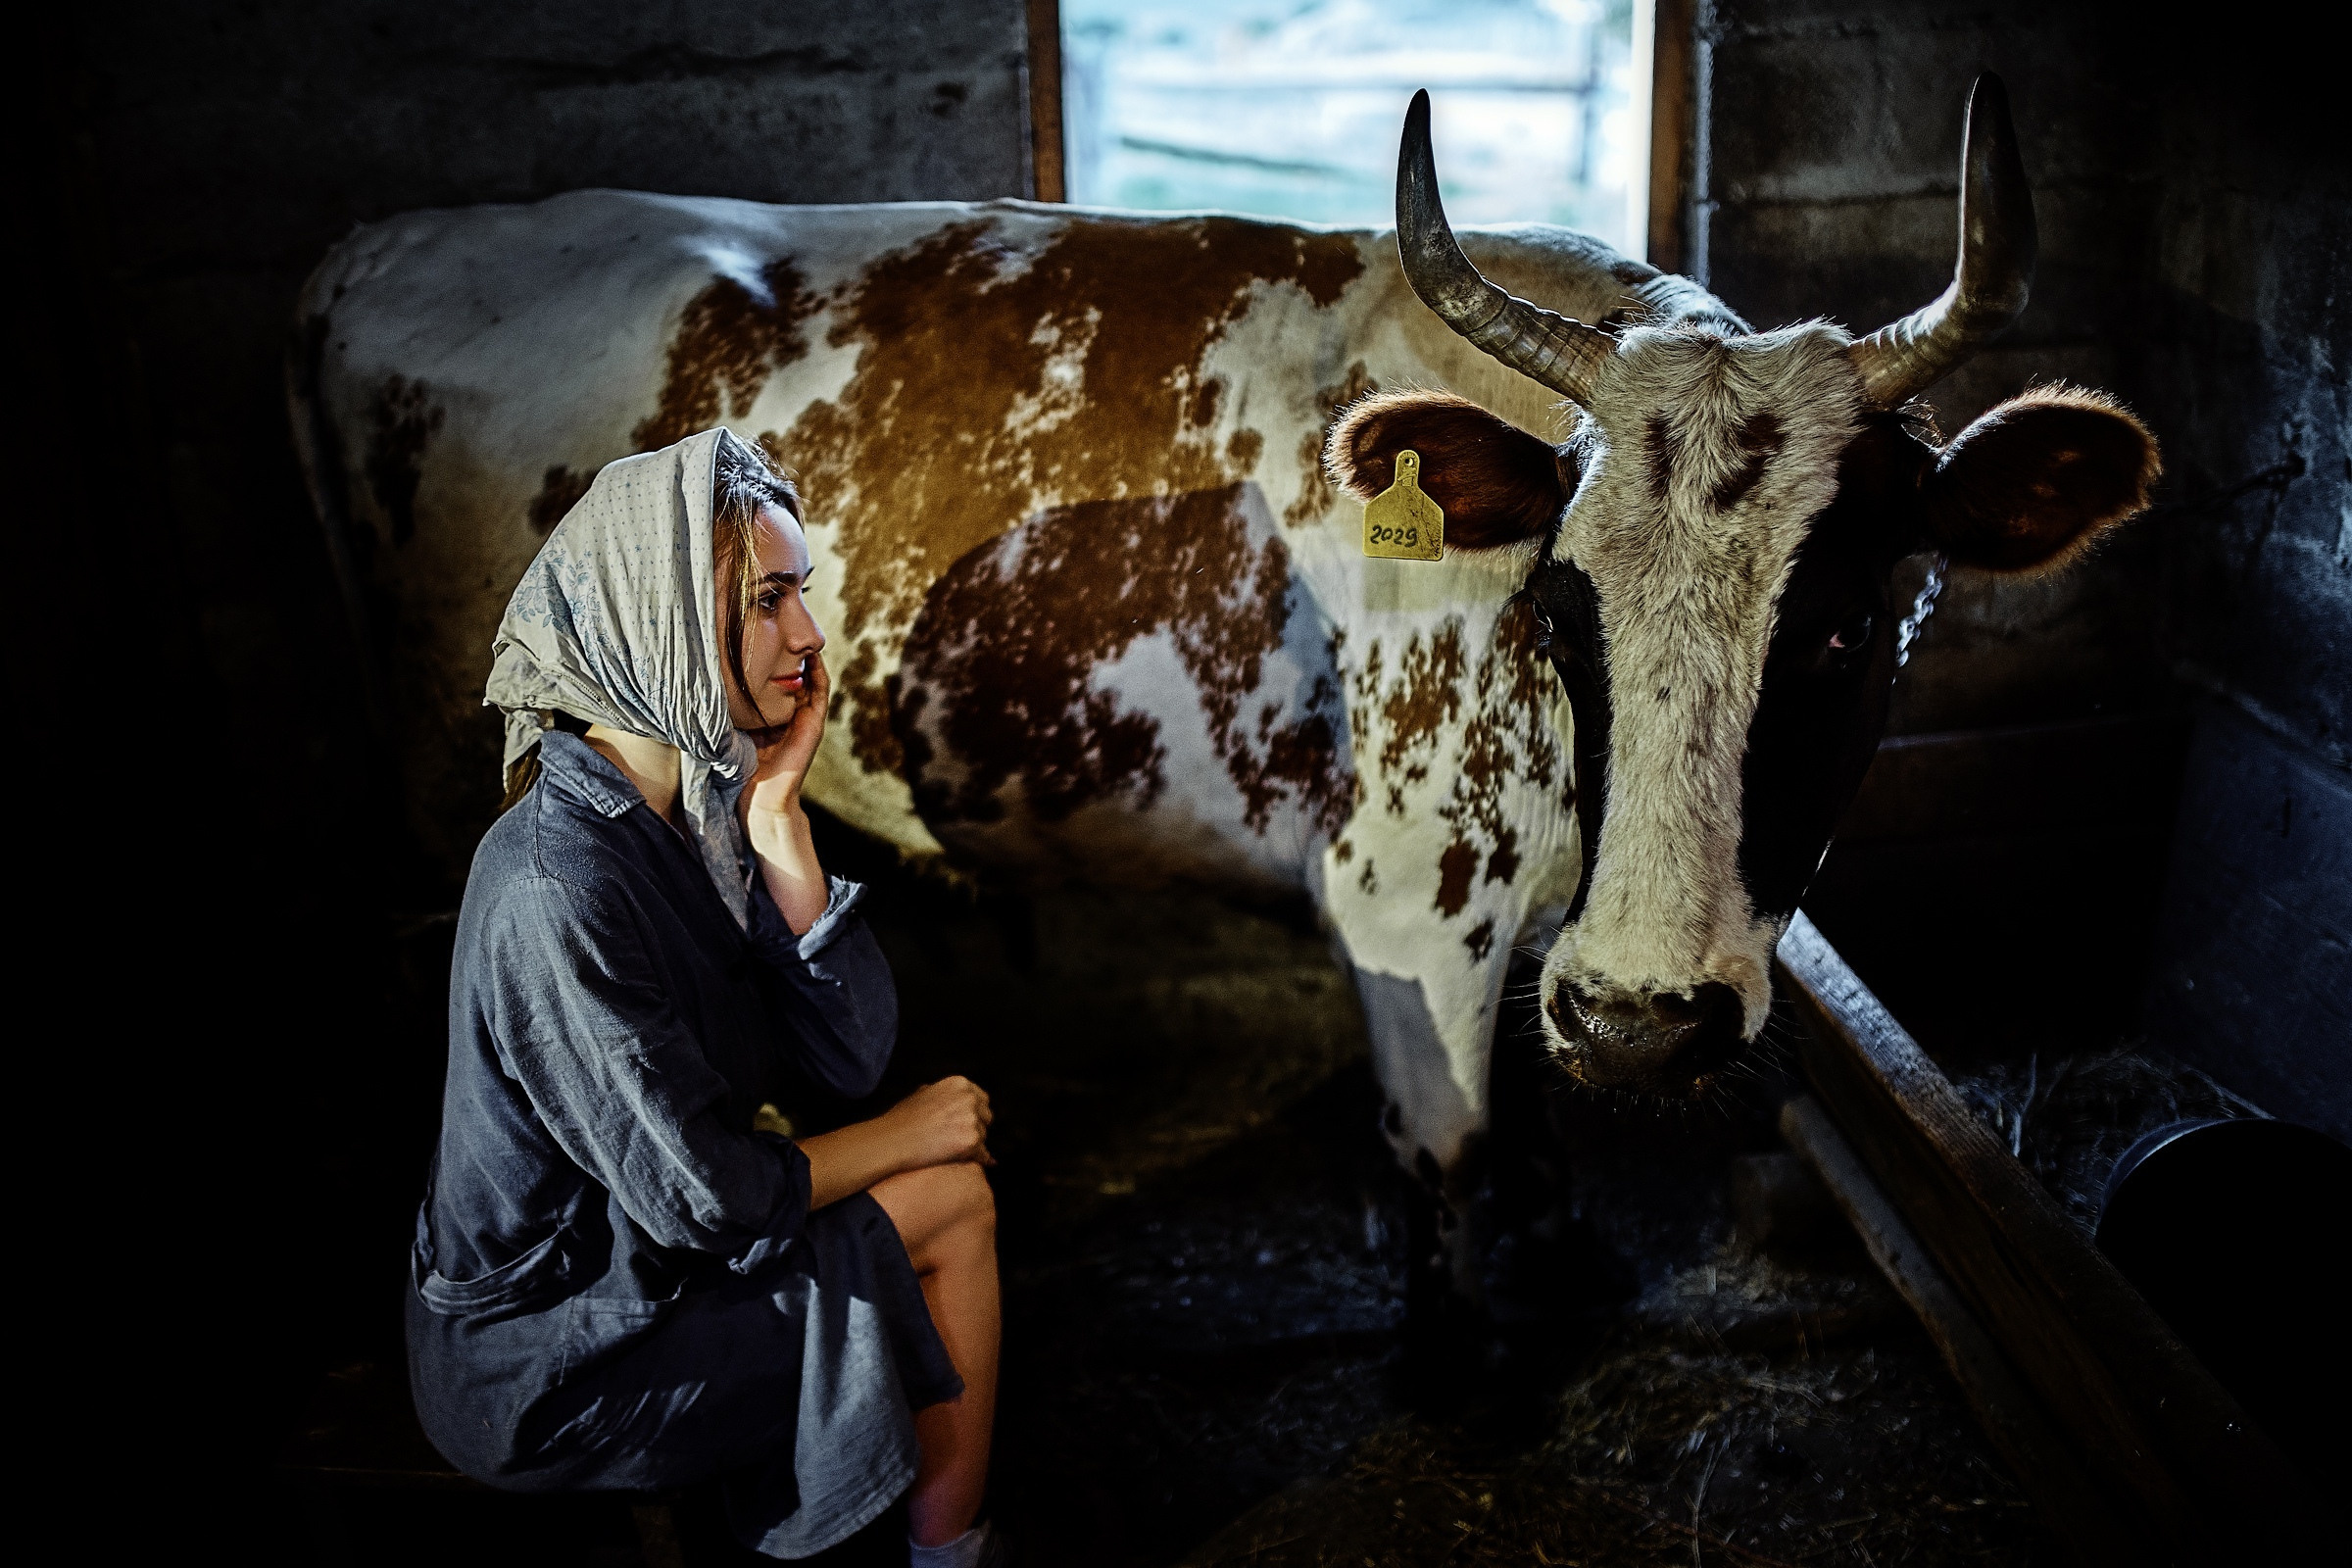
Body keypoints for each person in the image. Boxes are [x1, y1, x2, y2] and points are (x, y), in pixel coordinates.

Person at [407, 427, 1004, 1565]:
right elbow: (711, 1201)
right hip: (559, 1356)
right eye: (770, 598)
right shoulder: (555, 883)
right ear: (666, 618)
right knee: (952, 1196)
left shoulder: (702, 807)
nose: (811, 634)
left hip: (652, 1269)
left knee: (940, 1181)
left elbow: (845, 1053)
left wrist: (781, 820)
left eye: (801, 594)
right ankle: (951, 1556)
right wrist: (904, 1133)